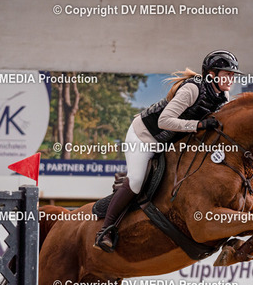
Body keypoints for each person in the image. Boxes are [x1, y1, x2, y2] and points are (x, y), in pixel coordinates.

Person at [95, 50, 243, 251]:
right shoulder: (191, 90)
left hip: (172, 141)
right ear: (212, 74)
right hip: (145, 136)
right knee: (137, 181)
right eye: (227, 74)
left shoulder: (222, 95)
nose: (231, 79)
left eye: (233, 75)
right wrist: (198, 125)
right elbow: (164, 121)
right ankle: (105, 230)